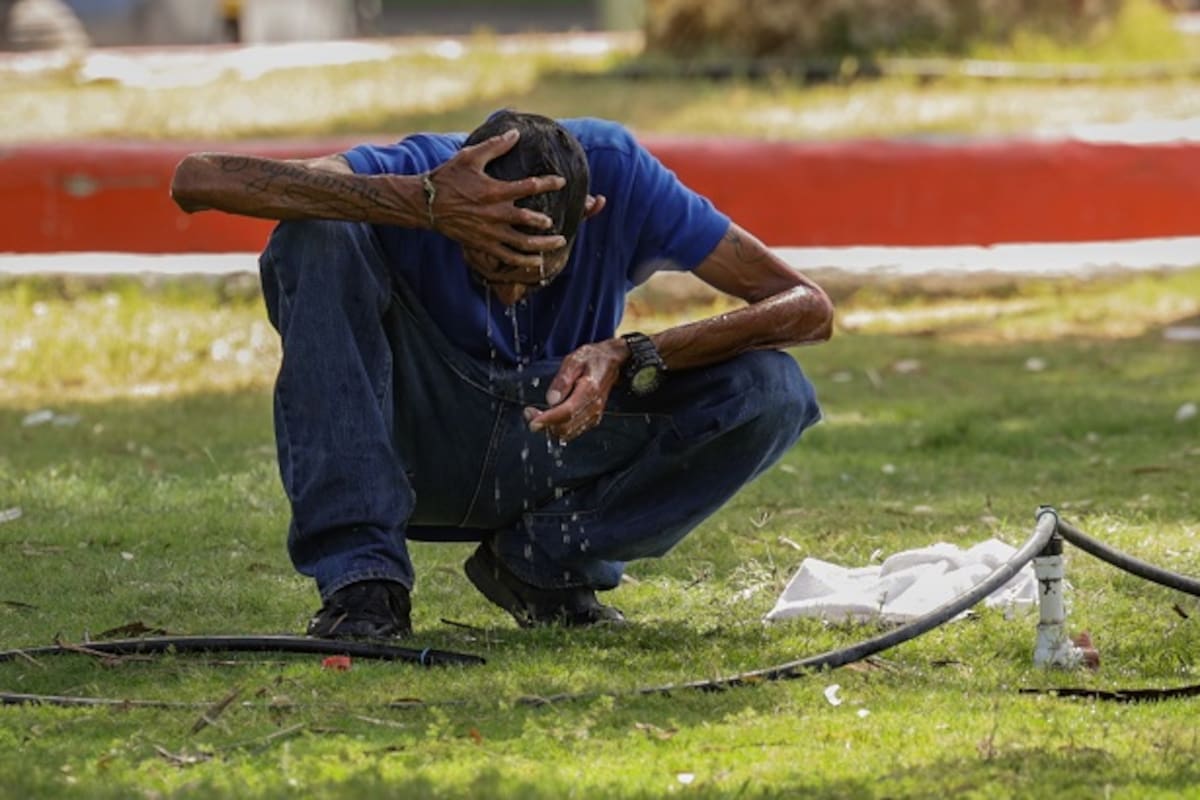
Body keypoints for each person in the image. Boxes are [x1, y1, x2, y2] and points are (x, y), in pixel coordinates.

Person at [170, 109, 833, 639]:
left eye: (536, 275)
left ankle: (542, 565)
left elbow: (807, 307)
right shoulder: (425, 173)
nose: (512, 296)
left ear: (591, 215)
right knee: (311, 234)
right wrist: (423, 202)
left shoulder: (622, 176)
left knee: (771, 389)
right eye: (487, 266)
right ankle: (361, 582)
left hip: (547, 441)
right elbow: (198, 179)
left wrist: (630, 352)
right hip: (416, 434)